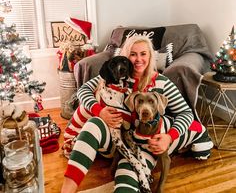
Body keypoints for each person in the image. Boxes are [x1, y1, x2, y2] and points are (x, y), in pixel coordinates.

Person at [61, 35, 213, 193]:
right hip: (115, 140)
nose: (138, 59)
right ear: (126, 56)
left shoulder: (161, 82)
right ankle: (67, 191)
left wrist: (170, 137)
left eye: (143, 54)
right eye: (133, 54)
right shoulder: (114, 75)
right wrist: (99, 111)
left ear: (150, 56)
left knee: (126, 179)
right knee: (93, 123)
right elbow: (83, 90)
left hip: (143, 147)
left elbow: (186, 113)